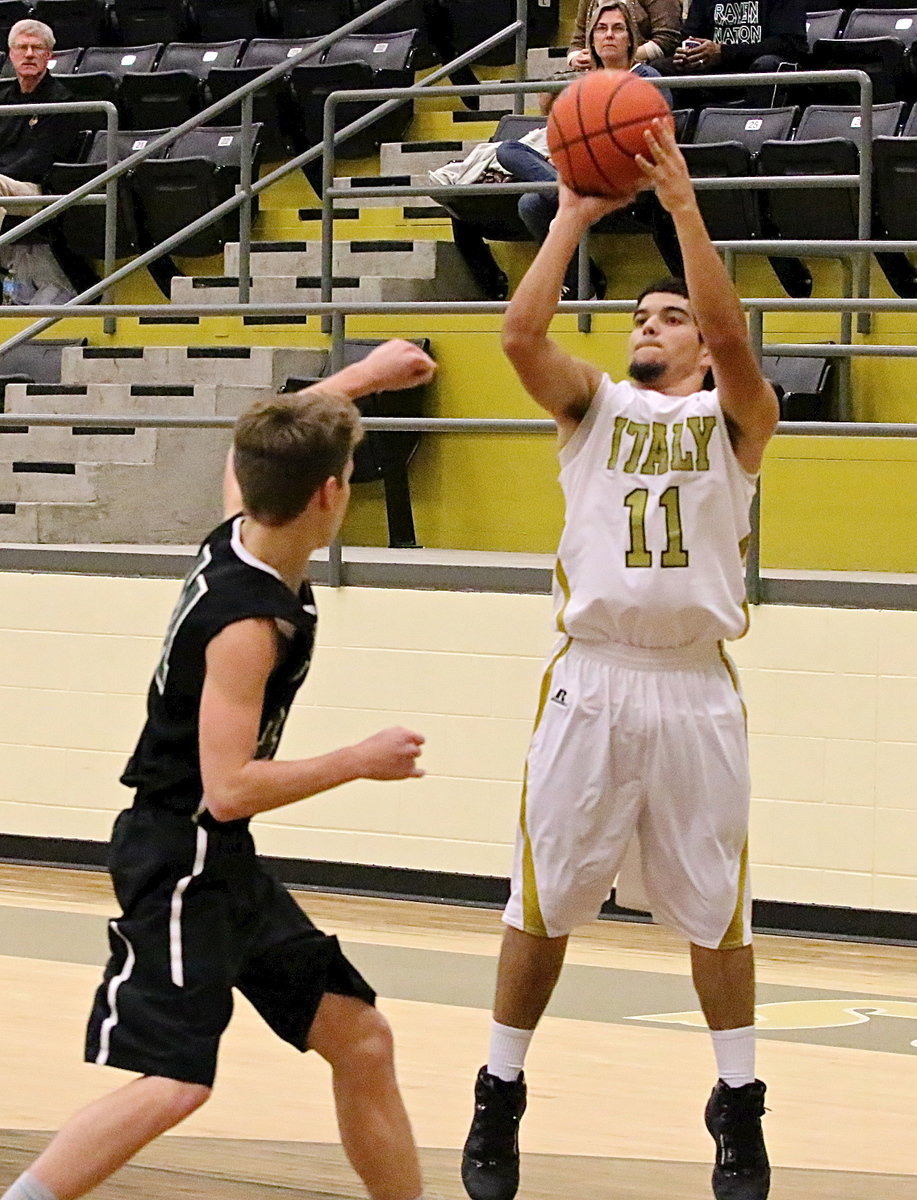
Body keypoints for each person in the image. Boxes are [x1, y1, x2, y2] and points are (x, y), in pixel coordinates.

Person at [0, 339, 439, 1200]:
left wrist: (365, 378)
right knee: (175, 1081)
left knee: (361, 1039)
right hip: (182, 859)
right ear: (332, 494)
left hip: (220, 863)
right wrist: (358, 760)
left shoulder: (241, 530)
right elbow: (229, 788)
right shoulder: (247, 623)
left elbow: (256, 443)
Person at [460, 119, 779, 1200]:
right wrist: (569, 215)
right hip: (591, 679)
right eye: (638, 313)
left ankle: (735, 1105)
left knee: (714, 912)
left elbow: (738, 350)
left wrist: (684, 210)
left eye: (669, 314)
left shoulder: (735, 420)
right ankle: (498, 1093)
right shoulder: (592, 407)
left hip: (692, 691)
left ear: (700, 343)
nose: (648, 322)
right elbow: (516, 335)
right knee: (540, 901)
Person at [495, 0, 671, 300]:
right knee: (512, 160)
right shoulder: (581, 81)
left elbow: (650, 137)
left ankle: (568, 196)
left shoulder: (647, 78)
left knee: (535, 200)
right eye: (601, 29)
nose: (609, 35)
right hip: (583, 172)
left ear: (631, 37)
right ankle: (582, 282)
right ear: (591, 41)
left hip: (627, 175)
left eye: (618, 29)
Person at [0, 20, 80, 231]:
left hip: (38, 189)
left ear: (49, 55)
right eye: (21, 47)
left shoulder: (63, 101)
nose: (28, 54)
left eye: (36, 48)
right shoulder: (3, 98)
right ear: (11, 54)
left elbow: (39, 161)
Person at [654, 0, 806, 106]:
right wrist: (685, 55)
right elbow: (689, 36)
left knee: (767, 64)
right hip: (712, 74)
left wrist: (724, 52)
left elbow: (790, 44)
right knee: (659, 68)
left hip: (752, 72)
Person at [567, 0, 682, 67]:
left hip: (643, 70)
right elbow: (577, 43)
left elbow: (667, 40)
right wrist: (577, 58)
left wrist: (614, 57)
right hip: (595, 72)